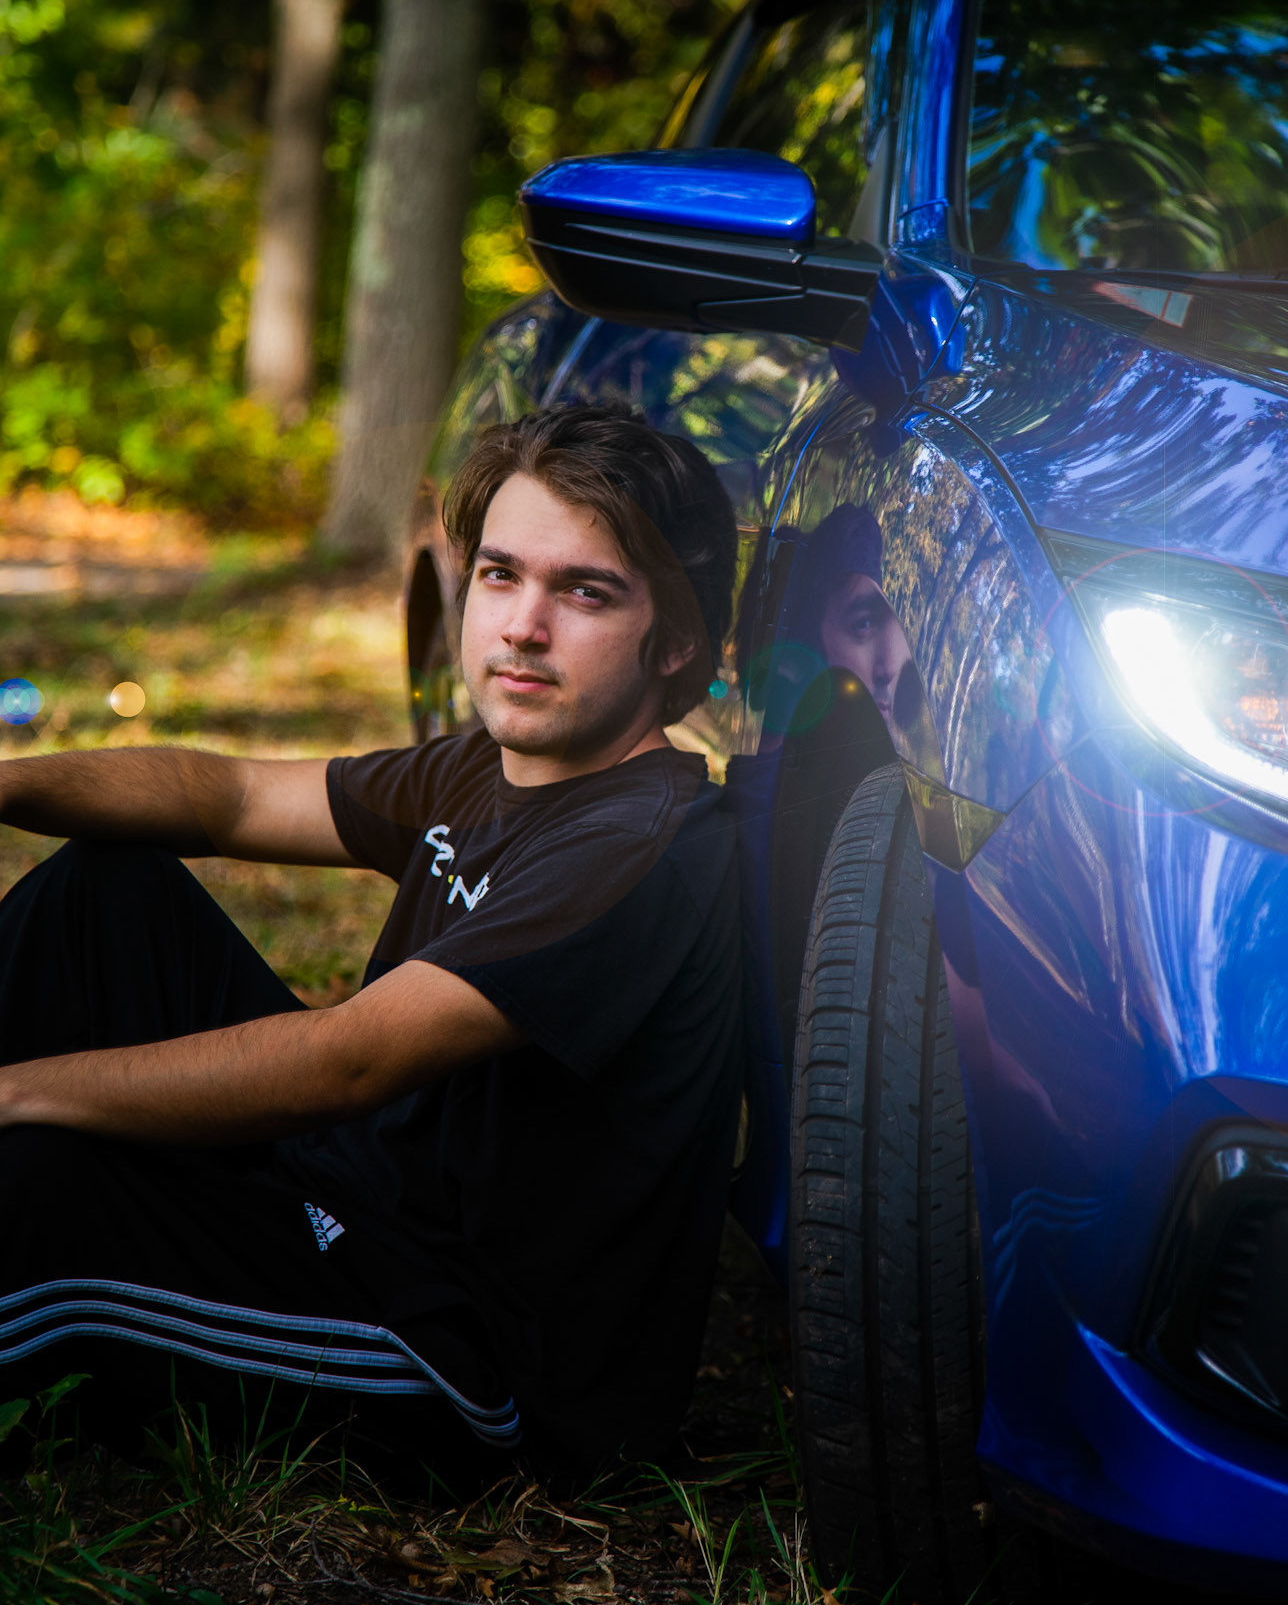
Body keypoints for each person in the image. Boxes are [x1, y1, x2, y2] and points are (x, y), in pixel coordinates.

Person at [0, 404, 742, 1480]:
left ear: (675, 640)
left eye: (585, 592)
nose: (523, 626)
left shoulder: (640, 846)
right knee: (105, 892)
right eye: (500, 575)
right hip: (348, 1198)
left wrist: (20, 1090)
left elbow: (344, 1061)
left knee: (48, 1181)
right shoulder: (487, 766)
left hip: (462, 1356)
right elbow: (230, 795)